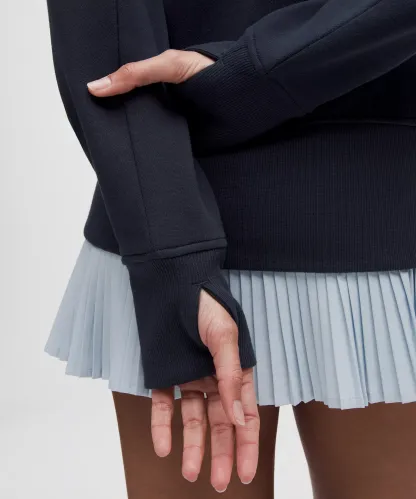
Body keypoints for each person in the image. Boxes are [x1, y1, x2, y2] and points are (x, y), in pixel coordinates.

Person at [44, 0, 416, 497]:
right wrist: (173, 256)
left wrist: (248, 74)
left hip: (170, 192)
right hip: (186, 205)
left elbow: (105, 34)